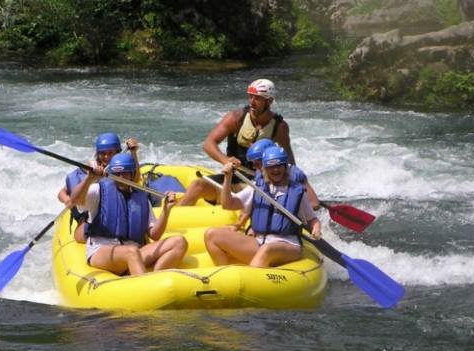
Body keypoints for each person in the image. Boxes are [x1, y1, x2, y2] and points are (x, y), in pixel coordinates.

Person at [178, 78, 297, 206]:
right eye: (250, 97)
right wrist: (226, 160)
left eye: (257, 98)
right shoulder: (235, 118)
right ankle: (171, 220)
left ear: (269, 101)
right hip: (232, 178)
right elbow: (208, 144)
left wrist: (297, 185)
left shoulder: (279, 127)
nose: (252, 102)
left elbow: (288, 159)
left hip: (259, 183)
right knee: (197, 185)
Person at [69, 153, 188, 276]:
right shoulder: (98, 190)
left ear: (132, 174)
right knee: (131, 252)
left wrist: (166, 211)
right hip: (102, 250)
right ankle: (145, 287)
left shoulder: (141, 197)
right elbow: (75, 201)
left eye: (125, 173)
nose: (121, 177)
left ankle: (155, 278)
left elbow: (155, 234)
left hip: (134, 251)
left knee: (179, 242)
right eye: (117, 174)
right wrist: (89, 179)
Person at [204, 146, 321, 268]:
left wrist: (316, 229)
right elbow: (228, 204)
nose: (275, 170)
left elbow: (312, 220)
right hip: (259, 242)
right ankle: (224, 277)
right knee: (212, 235)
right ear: (264, 169)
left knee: (267, 249)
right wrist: (227, 178)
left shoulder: (296, 192)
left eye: (279, 166)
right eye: (271, 167)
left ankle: (251, 282)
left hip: (288, 244)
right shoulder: (256, 188)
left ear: (285, 167)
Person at [57, 132, 139, 242]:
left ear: (118, 152)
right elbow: (63, 192)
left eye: (110, 153)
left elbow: (135, 180)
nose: (106, 157)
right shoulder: (91, 167)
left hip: (115, 207)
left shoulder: (121, 168)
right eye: (103, 153)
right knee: (81, 235)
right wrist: (67, 200)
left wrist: (133, 153)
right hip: (91, 210)